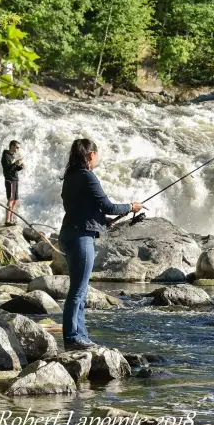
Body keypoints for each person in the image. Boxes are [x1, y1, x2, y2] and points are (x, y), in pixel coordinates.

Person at [59, 139, 143, 350]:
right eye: (97, 153)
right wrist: (131, 207)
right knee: (79, 290)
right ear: (90, 155)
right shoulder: (88, 177)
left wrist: (102, 222)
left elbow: (80, 207)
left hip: (69, 234)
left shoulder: (70, 177)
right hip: (81, 238)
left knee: (79, 289)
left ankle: (80, 336)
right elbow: (107, 205)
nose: (98, 157)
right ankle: (72, 338)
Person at [1, 141, 25, 226]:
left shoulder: (12, 156)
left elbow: (14, 168)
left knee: (15, 200)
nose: (18, 149)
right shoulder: (6, 156)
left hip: (15, 179)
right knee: (10, 199)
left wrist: (21, 166)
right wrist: (15, 163)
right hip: (9, 180)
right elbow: (7, 169)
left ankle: (11, 219)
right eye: (17, 147)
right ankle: (7, 220)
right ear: (12, 146)